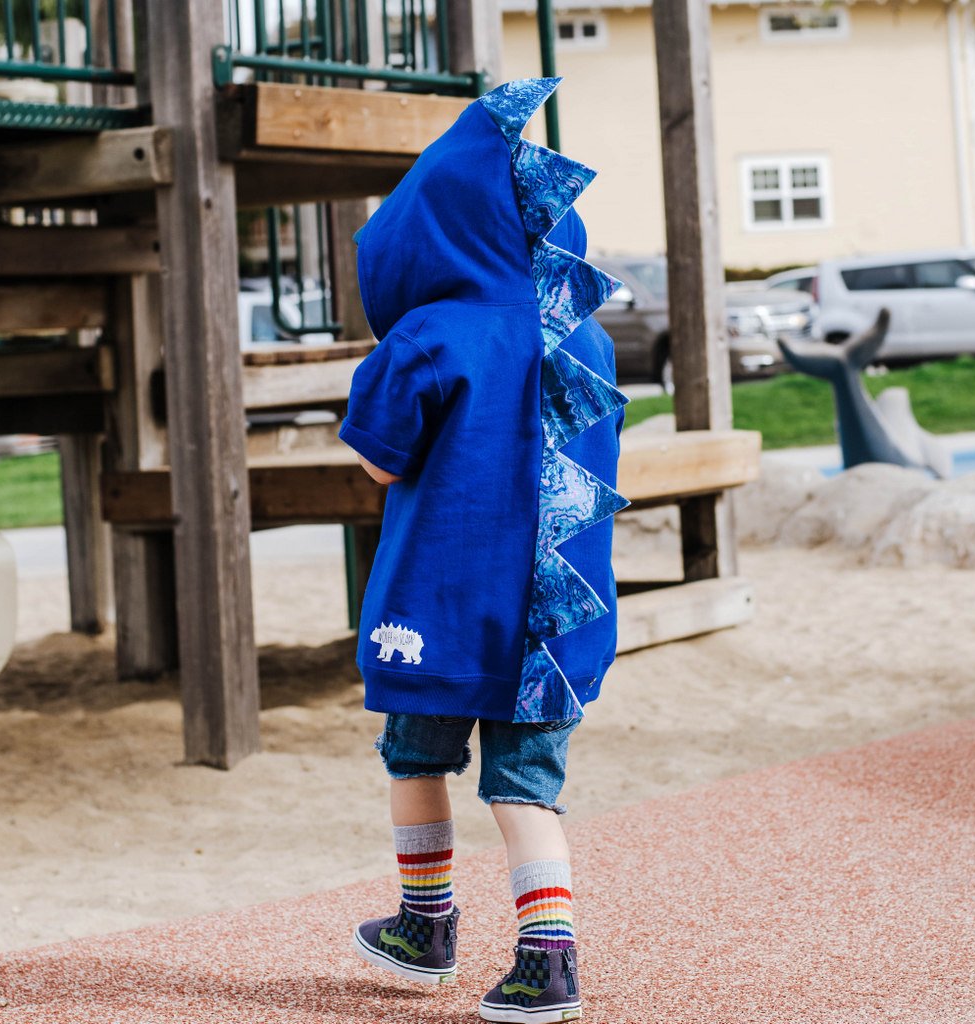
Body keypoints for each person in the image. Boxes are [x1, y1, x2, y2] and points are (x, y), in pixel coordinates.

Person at [338, 77, 627, 1024]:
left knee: (414, 759)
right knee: (527, 785)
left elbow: (379, 466)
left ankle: (428, 928)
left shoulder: (430, 335)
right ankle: (550, 961)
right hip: (554, 614)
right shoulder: (583, 339)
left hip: (442, 605)